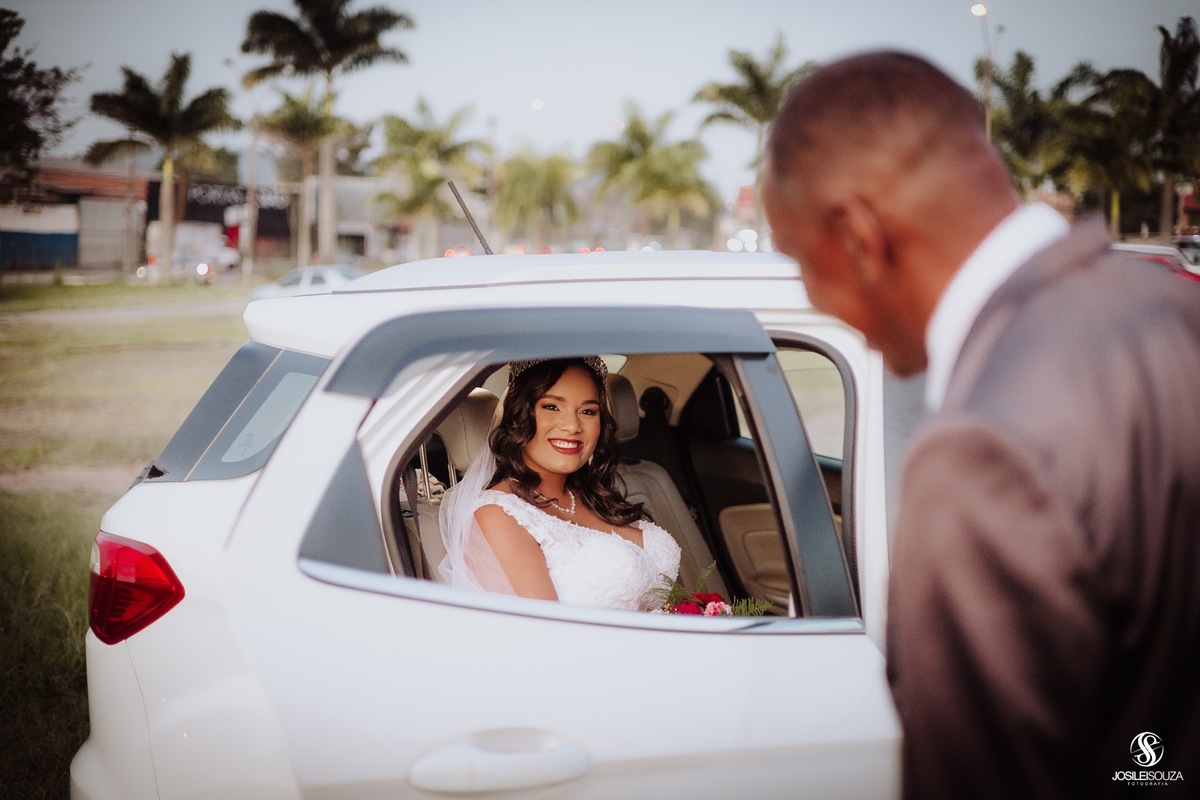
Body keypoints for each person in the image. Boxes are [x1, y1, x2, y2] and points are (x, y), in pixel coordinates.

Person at [762, 50, 1200, 798]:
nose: (812, 297)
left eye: (801, 260)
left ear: (861, 237)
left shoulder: (982, 448)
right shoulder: (1172, 309)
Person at [438, 356, 681, 610]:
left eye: (588, 411)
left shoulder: (597, 496)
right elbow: (547, 637)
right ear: (518, 414)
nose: (572, 426)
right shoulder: (498, 515)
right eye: (552, 407)